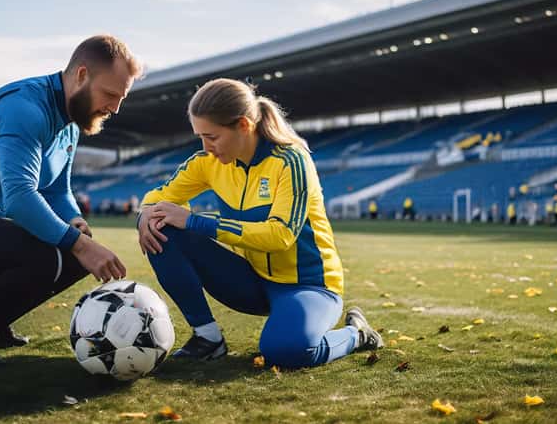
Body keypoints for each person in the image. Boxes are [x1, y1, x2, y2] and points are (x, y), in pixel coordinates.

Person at [0, 35, 142, 369]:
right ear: (81, 75)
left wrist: (76, 224)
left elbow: (57, 191)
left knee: (75, 256)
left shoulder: (70, 124)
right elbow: (19, 197)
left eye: (122, 98)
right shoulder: (24, 106)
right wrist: (78, 245)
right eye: (109, 94)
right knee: (56, 254)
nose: (115, 108)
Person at [137, 78, 382, 369]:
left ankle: (357, 334)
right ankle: (208, 338)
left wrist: (195, 221)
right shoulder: (206, 162)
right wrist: (145, 215)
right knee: (162, 224)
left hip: (307, 286)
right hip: (250, 281)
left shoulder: (291, 161)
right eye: (200, 136)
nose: (206, 147)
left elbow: (280, 235)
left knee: (287, 352)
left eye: (212, 137)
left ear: (243, 125)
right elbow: (157, 198)